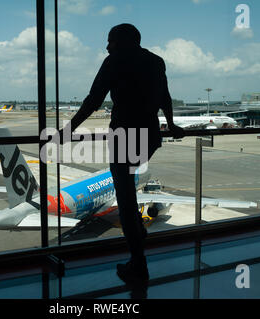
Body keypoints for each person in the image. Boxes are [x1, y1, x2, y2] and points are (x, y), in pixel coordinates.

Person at [60, 23, 184, 283]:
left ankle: (138, 262)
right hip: (149, 135)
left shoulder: (114, 61)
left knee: (125, 201)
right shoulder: (155, 61)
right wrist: (171, 124)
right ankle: (138, 235)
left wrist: (68, 130)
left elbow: (93, 100)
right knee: (128, 191)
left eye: (110, 41)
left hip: (125, 135)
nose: (107, 47)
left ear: (122, 41)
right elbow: (165, 97)